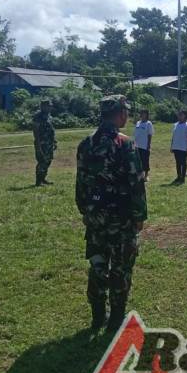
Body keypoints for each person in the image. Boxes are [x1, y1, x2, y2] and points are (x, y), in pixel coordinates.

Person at [75, 94, 146, 331]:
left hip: (95, 215)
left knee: (97, 266)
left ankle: (97, 315)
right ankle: (116, 317)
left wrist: (84, 209)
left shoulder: (87, 143)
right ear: (120, 113)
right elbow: (136, 182)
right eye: (125, 111)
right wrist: (139, 215)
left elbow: (81, 180)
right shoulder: (125, 143)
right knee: (120, 267)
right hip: (121, 217)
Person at [32, 99, 57, 186]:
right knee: (42, 161)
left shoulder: (49, 117)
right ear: (42, 107)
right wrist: (38, 142)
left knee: (48, 161)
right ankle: (38, 181)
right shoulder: (37, 117)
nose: (50, 108)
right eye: (48, 106)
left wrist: (54, 141)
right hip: (42, 143)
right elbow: (35, 130)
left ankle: (43, 179)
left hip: (49, 143)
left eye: (51, 106)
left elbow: (52, 130)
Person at [170, 109, 187, 184]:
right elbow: (173, 136)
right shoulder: (175, 125)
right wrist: (171, 146)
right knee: (178, 162)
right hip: (176, 146)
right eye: (179, 114)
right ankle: (178, 176)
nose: (179, 115)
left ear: (185, 115)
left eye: (181, 114)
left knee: (183, 162)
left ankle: (183, 177)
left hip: (183, 146)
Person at [133, 108, 154, 182]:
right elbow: (135, 133)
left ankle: (146, 175)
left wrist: (148, 145)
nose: (141, 114)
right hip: (136, 145)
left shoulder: (148, 123)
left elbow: (149, 135)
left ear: (146, 114)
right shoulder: (138, 123)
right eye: (140, 113)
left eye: (143, 113)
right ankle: (139, 174)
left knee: (145, 160)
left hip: (144, 145)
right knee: (137, 161)